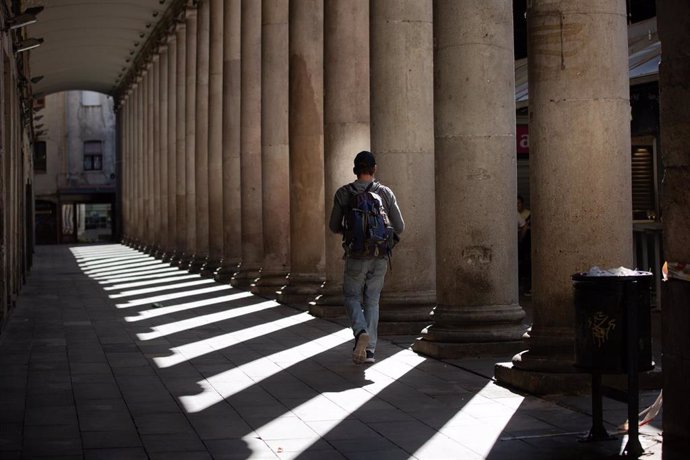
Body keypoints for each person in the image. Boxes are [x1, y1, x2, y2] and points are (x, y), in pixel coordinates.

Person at [329, 151, 404, 364]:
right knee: (372, 300)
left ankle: (361, 331)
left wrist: (350, 231)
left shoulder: (344, 193)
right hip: (380, 255)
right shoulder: (385, 192)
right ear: (374, 168)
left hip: (356, 254)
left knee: (351, 296)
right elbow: (400, 226)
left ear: (355, 169)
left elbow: (333, 226)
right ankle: (370, 351)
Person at [517, 195, 531, 296]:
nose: (517, 205)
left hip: (525, 244)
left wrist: (520, 239)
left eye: (519, 203)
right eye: (515, 204)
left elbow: (525, 227)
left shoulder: (528, 214)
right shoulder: (516, 213)